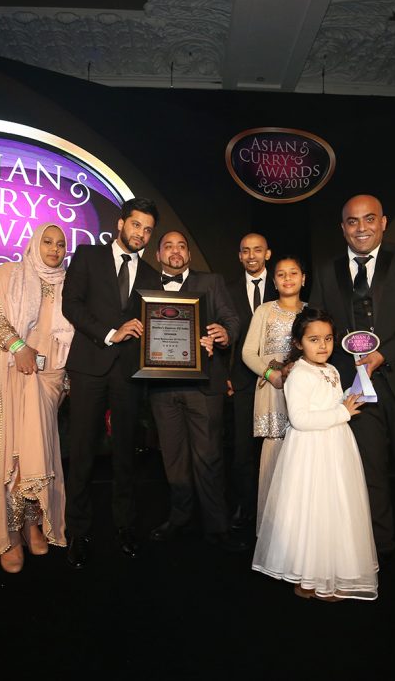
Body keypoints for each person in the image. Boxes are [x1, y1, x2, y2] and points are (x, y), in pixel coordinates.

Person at [308, 193, 395, 593]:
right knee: (367, 476)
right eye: (352, 222)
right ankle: (378, 552)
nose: (361, 228)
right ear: (342, 228)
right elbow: (316, 324)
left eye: (369, 219)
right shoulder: (327, 270)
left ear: (383, 222)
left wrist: (383, 355)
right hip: (355, 392)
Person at [0, 224, 72, 573]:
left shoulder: (68, 283)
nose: (54, 249)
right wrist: (19, 346)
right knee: (7, 449)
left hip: (46, 377)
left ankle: (31, 521)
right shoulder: (8, 273)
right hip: (6, 369)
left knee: (35, 451)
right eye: (47, 242)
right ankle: (7, 530)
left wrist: (64, 379)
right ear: (34, 243)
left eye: (61, 244)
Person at [61, 197, 162, 568]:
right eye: (136, 225)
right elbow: (71, 304)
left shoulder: (151, 275)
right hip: (89, 366)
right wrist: (109, 333)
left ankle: (125, 525)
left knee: (125, 456)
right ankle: (78, 530)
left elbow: (157, 325)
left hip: (129, 373)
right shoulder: (88, 256)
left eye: (148, 230)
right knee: (82, 452)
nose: (141, 234)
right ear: (120, 224)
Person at [252, 308, 377, 602]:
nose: (323, 345)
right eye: (314, 339)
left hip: (335, 447)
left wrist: (351, 394)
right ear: (298, 342)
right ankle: (307, 578)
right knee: (311, 509)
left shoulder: (331, 370)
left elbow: (328, 402)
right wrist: (342, 412)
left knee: (333, 508)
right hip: (310, 452)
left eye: (328, 339)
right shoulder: (298, 374)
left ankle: (329, 572)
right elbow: (300, 419)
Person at [147, 230, 245, 553]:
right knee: (173, 459)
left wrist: (224, 333)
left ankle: (217, 526)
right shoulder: (146, 287)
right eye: (168, 246)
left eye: (181, 246)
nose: (175, 251)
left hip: (204, 386)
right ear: (158, 254)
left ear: (189, 254)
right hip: (163, 387)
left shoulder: (211, 282)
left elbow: (231, 319)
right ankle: (180, 518)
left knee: (209, 458)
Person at [241, 256, 305, 529]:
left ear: (304, 278)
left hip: (303, 393)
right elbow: (247, 352)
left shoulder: (311, 312)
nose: (287, 278)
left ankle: (300, 528)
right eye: (281, 274)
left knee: (303, 452)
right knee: (275, 452)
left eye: (293, 273)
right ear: (274, 282)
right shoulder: (264, 310)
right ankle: (271, 530)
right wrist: (271, 375)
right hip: (273, 391)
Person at [227, 233, 278, 531]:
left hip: (279, 380)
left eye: (257, 250)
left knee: (276, 444)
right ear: (239, 256)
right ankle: (245, 507)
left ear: (267, 254)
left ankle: (277, 505)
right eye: (245, 251)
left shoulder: (283, 283)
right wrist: (226, 375)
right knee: (242, 449)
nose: (251, 256)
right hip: (242, 381)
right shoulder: (228, 289)